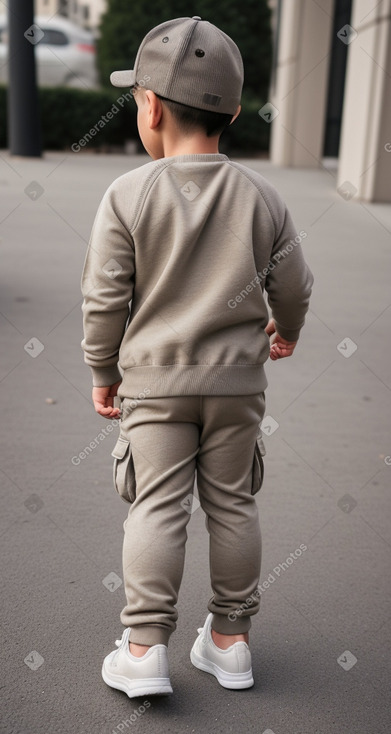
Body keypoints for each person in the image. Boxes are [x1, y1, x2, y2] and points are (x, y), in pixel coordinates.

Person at [81, 16, 313, 698]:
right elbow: (293, 284)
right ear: (234, 112)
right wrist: (286, 329)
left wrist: (103, 372)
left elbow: (103, 299)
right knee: (233, 504)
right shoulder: (262, 197)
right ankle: (229, 642)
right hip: (237, 385)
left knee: (156, 506)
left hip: (154, 384)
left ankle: (145, 648)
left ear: (148, 105)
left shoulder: (128, 194)